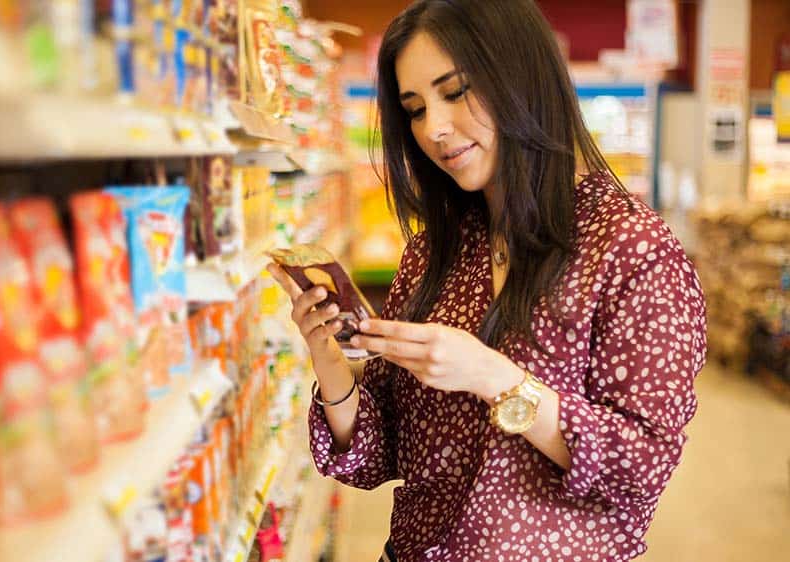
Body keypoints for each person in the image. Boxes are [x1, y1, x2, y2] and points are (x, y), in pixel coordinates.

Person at [266, 1, 707, 561]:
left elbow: (642, 466)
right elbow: (377, 455)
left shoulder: (630, 249)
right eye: (415, 108)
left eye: (455, 92)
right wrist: (330, 361)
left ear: (520, 77)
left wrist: (494, 377)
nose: (434, 129)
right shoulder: (436, 252)